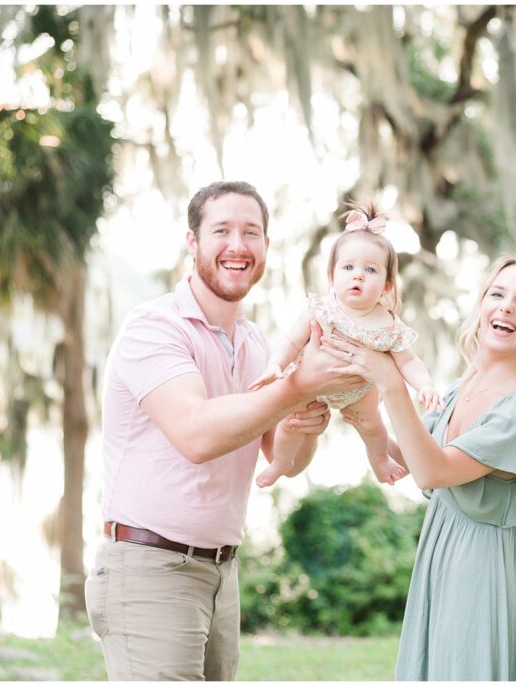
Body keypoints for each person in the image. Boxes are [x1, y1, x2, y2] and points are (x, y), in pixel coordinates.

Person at [84, 181, 366, 681]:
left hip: (221, 574)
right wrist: (296, 386)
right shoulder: (154, 328)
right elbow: (197, 436)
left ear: (265, 248)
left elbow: (285, 462)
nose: (237, 246)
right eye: (221, 231)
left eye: (250, 233)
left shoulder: (257, 343)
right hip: (150, 570)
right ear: (192, 243)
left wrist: (306, 419)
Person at [322, 255, 516, 681]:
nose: (507, 307)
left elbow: (433, 472)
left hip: (478, 568)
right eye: (497, 294)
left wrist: (390, 382)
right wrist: (357, 415)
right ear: (480, 307)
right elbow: (415, 452)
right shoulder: (465, 384)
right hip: (439, 550)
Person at [249, 201, 443, 488]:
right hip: (312, 384)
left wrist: (425, 385)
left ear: (388, 285)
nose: (358, 275)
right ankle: (280, 462)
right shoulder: (322, 309)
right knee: (293, 423)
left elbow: (408, 361)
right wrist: (275, 365)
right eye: (348, 267)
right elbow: (291, 340)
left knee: (373, 426)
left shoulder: (387, 324)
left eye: (371, 270)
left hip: (359, 390)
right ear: (332, 275)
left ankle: (379, 461)